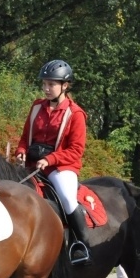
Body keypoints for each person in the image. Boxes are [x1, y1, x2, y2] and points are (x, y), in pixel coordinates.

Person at [14, 59, 90, 265]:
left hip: (61, 168)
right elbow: (25, 137)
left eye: (51, 84)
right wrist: (21, 151)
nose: (46, 88)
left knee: (67, 198)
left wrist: (50, 159)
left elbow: (76, 150)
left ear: (65, 86)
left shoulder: (76, 114)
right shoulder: (37, 107)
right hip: (32, 165)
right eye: (44, 84)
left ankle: (81, 244)